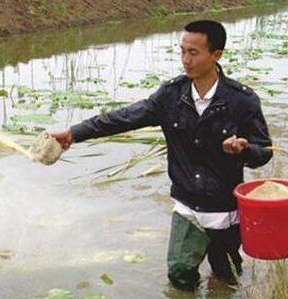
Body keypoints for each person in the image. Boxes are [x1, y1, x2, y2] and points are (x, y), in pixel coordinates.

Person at [51, 20, 272, 291]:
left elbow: (264, 150)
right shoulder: (171, 95)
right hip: (187, 205)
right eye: (182, 51)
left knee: (227, 277)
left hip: (225, 210)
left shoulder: (242, 100)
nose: (186, 60)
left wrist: (244, 149)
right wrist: (75, 132)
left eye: (194, 53)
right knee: (179, 275)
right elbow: (124, 118)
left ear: (216, 55)